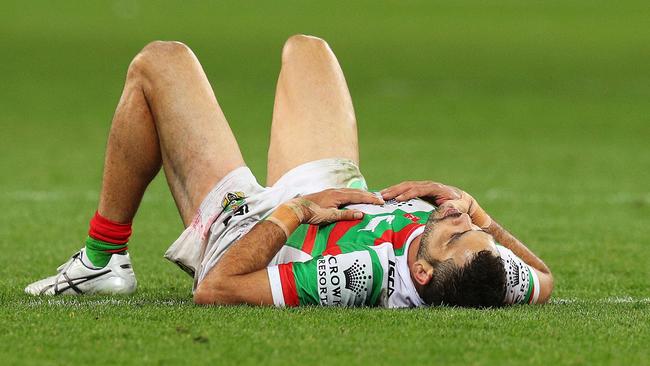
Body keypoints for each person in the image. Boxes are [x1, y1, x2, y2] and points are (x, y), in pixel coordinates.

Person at [25, 35, 553, 308]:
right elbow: (545, 280)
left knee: (159, 63)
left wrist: (297, 209)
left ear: (419, 274)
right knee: (308, 49)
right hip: (343, 197)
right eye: (476, 231)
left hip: (259, 230)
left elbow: (217, 289)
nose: (460, 219)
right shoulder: (484, 270)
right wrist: (476, 209)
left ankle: (102, 261)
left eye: (456, 232)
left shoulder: (359, 276)